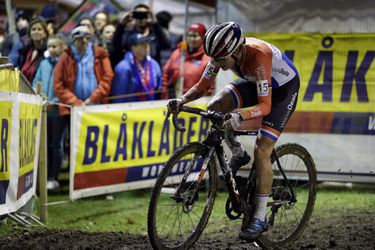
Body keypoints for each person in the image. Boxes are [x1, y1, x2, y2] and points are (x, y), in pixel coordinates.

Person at [167, 22, 300, 241]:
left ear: (237, 50)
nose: (216, 64)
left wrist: (240, 116)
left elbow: (265, 107)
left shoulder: (258, 57)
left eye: (220, 60)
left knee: (262, 150)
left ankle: (259, 217)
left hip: (282, 91)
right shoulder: (222, 54)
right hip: (255, 82)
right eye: (214, 59)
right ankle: (237, 152)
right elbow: (203, 86)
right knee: (214, 107)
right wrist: (181, 100)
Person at [54, 25, 114, 115]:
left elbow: (108, 77)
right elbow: (58, 84)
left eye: (87, 38)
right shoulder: (65, 57)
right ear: (73, 40)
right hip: (72, 109)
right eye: (80, 39)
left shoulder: (100, 54)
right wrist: (75, 102)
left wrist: (93, 98)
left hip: (97, 105)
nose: (84, 41)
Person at [32, 34, 67, 189]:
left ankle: (54, 175)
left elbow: (65, 85)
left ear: (61, 47)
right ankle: (44, 174)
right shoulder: (43, 64)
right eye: (49, 46)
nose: (51, 49)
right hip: (44, 109)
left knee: (56, 144)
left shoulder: (64, 63)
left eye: (55, 46)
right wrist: (37, 95)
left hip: (58, 110)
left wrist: (56, 101)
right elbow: (36, 81)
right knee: (45, 144)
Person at [162, 23, 211, 99]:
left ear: (202, 37)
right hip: (173, 99)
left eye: (195, 36)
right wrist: (164, 95)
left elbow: (209, 84)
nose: (192, 39)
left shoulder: (207, 58)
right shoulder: (178, 53)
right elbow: (166, 74)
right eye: (189, 35)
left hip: (195, 102)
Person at [110, 33, 162, 103]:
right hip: (130, 110)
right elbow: (118, 95)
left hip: (151, 109)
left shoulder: (154, 64)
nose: (147, 46)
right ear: (133, 48)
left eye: (147, 43)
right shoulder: (124, 67)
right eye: (142, 44)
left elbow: (159, 89)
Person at [10, 18, 48, 83]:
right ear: (29, 34)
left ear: (45, 33)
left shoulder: (48, 53)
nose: (36, 31)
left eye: (39, 29)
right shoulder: (25, 51)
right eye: (33, 29)